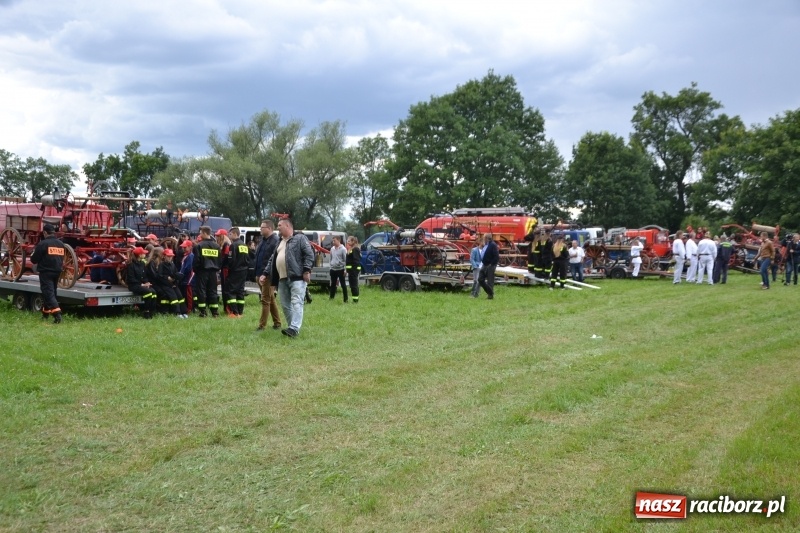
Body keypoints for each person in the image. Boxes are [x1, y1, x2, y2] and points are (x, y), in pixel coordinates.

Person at [269, 218, 314, 337]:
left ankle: (294, 328)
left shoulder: (299, 238)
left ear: (288, 226)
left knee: (297, 302)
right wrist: (265, 274)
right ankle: (292, 329)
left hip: (297, 277)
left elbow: (309, 254)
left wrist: (306, 270)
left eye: (280, 225)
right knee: (284, 305)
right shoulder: (279, 241)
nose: (277, 227)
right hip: (282, 279)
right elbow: (272, 260)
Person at [30, 223, 65, 323]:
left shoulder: (43, 244)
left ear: (45, 232)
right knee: (51, 292)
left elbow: (34, 259)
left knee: (48, 293)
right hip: (57, 271)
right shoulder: (60, 244)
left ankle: (57, 315)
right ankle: (45, 314)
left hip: (46, 272)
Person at [256, 220, 282, 331]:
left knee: (265, 300)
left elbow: (273, 259)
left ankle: (262, 326)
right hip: (259, 273)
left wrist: (266, 274)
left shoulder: (275, 241)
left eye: (263, 227)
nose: (260, 229)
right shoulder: (263, 241)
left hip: (268, 275)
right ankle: (277, 322)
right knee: (270, 299)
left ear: (270, 228)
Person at [194, 225, 222, 317]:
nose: (200, 234)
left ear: (205, 233)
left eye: (201, 232)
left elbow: (196, 261)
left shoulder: (199, 245)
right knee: (213, 291)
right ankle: (215, 312)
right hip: (213, 272)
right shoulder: (216, 246)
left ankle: (203, 312)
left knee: (201, 291)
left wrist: (196, 270)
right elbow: (219, 260)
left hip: (202, 271)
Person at [125, 246, 157, 319]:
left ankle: (152, 311)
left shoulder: (142, 263)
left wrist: (147, 282)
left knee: (154, 292)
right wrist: (141, 284)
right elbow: (131, 278)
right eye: (143, 253)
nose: (145, 255)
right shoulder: (131, 265)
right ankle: (146, 311)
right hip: (134, 285)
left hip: (142, 284)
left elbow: (144, 276)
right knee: (148, 292)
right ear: (140, 255)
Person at [224, 227, 250, 316]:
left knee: (231, 291)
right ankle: (240, 312)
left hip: (235, 271)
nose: (229, 235)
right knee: (240, 292)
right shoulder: (244, 245)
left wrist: (229, 268)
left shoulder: (233, 245)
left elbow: (231, 260)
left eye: (230, 234)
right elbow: (247, 259)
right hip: (244, 271)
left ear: (235, 234)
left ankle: (234, 312)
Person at [215, 228, 233, 314]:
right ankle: (226, 308)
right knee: (224, 288)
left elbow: (225, 258)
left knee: (226, 289)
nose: (216, 237)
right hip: (223, 269)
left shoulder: (226, 245)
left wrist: (218, 266)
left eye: (218, 236)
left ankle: (228, 308)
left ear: (223, 236)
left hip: (225, 269)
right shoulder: (224, 245)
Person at [328, 235, 348, 302]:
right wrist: (330, 267)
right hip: (333, 269)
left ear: (339, 240)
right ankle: (331, 298)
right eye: (333, 241)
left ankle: (345, 299)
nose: (333, 242)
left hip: (340, 269)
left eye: (335, 240)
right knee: (333, 284)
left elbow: (346, 260)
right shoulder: (332, 249)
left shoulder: (343, 249)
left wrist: (345, 269)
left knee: (343, 284)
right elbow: (330, 258)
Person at [478, 233, 499, 299]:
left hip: (490, 265)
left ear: (487, 238)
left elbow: (496, 256)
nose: (483, 239)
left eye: (484, 238)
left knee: (490, 281)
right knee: (480, 279)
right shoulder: (486, 245)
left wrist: (491, 264)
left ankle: (490, 295)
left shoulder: (493, 245)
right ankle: (490, 292)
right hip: (484, 264)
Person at [178, 239, 195, 313]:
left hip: (188, 279)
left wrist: (181, 274)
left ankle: (190, 309)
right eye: (183, 247)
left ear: (190, 247)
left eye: (185, 247)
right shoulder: (186, 255)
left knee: (189, 295)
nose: (183, 249)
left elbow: (188, 268)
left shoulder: (190, 256)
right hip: (184, 278)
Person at [345, 236, 361, 303]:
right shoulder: (351, 249)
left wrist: (354, 270)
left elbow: (355, 261)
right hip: (351, 271)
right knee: (352, 286)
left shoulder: (355, 249)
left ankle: (355, 300)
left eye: (349, 241)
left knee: (354, 286)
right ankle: (354, 299)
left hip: (353, 271)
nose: (347, 242)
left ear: (353, 242)